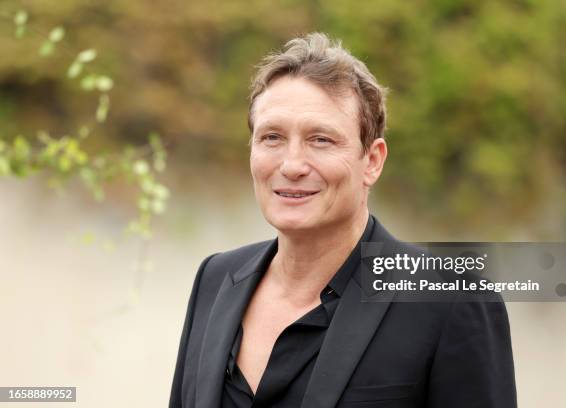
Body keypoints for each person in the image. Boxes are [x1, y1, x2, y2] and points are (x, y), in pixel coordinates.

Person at [169, 32, 517, 408]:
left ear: (372, 161)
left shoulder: (451, 302)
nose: (292, 165)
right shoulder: (215, 278)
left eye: (321, 140)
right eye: (272, 137)